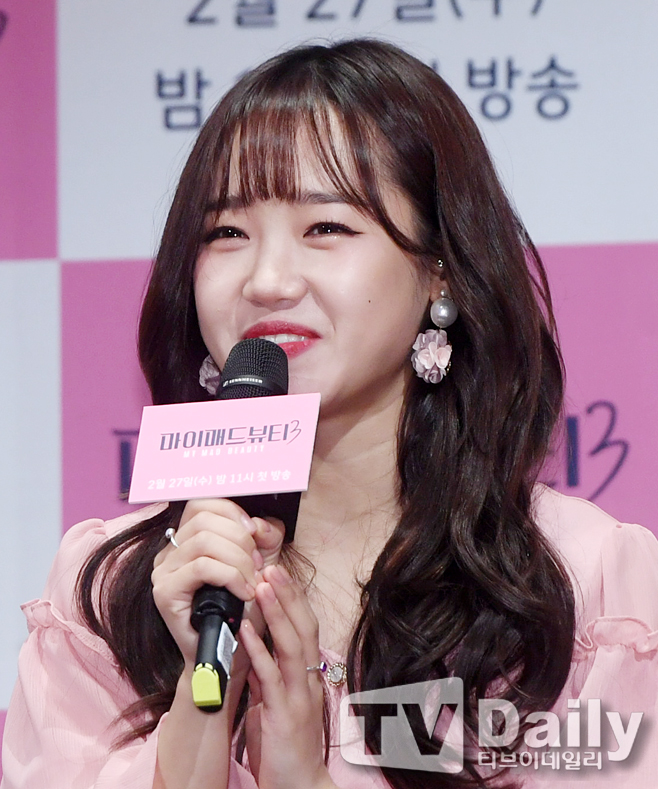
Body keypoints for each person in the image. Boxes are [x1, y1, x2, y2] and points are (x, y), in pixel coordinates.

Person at [2, 39, 658, 789]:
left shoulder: (580, 587)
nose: (267, 280)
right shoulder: (108, 594)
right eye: (226, 233)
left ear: (440, 269)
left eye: (326, 228)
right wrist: (200, 712)